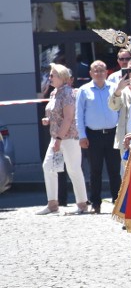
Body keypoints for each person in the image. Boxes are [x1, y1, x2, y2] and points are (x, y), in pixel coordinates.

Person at [37, 63, 88, 215]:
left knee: (73, 170)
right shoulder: (54, 93)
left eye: (52, 75)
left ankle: (82, 204)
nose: (50, 78)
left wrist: (59, 138)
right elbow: (57, 115)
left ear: (62, 77)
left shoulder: (68, 93)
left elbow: (68, 118)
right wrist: (49, 120)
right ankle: (52, 204)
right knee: (48, 167)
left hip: (69, 137)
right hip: (56, 137)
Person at [75, 60, 121, 214]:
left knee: (115, 170)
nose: (99, 73)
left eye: (102, 70)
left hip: (112, 134)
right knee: (95, 171)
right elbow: (79, 115)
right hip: (93, 135)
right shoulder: (84, 90)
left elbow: (121, 112)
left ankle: (118, 201)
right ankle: (96, 203)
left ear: (107, 72)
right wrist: (82, 136)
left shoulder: (115, 88)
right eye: (96, 70)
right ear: (90, 73)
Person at [108, 67, 131, 176]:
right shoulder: (124, 91)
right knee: (127, 174)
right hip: (127, 139)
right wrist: (118, 90)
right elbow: (113, 106)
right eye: (130, 71)